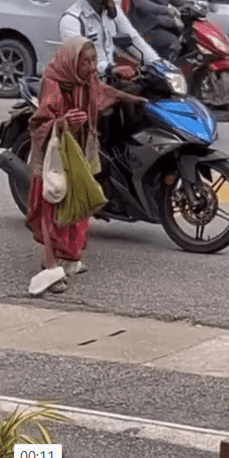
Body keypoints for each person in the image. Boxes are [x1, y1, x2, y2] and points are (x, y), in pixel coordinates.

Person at [26, 37, 143, 296]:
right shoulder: (53, 83)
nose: (92, 68)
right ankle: (51, 265)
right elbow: (40, 123)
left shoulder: (86, 82)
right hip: (53, 154)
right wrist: (63, 122)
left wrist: (131, 97)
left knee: (81, 202)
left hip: (79, 149)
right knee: (52, 207)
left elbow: (102, 91)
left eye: (94, 61)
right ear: (72, 62)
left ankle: (70, 258)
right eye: (86, 62)